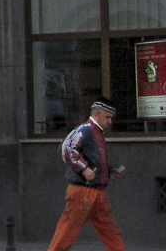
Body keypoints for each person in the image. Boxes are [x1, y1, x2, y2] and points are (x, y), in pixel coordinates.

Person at [46, 98, 127, 251]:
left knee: (111, 232)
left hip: (95, 192)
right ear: (96, 114)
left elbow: (93, 159)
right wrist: (83, 168)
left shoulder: (95, 132)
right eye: (107, 117)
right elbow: (67, 148)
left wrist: (109, 171)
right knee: (66, 233)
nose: (110, 122)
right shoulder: (86, 129)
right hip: (83, 191)